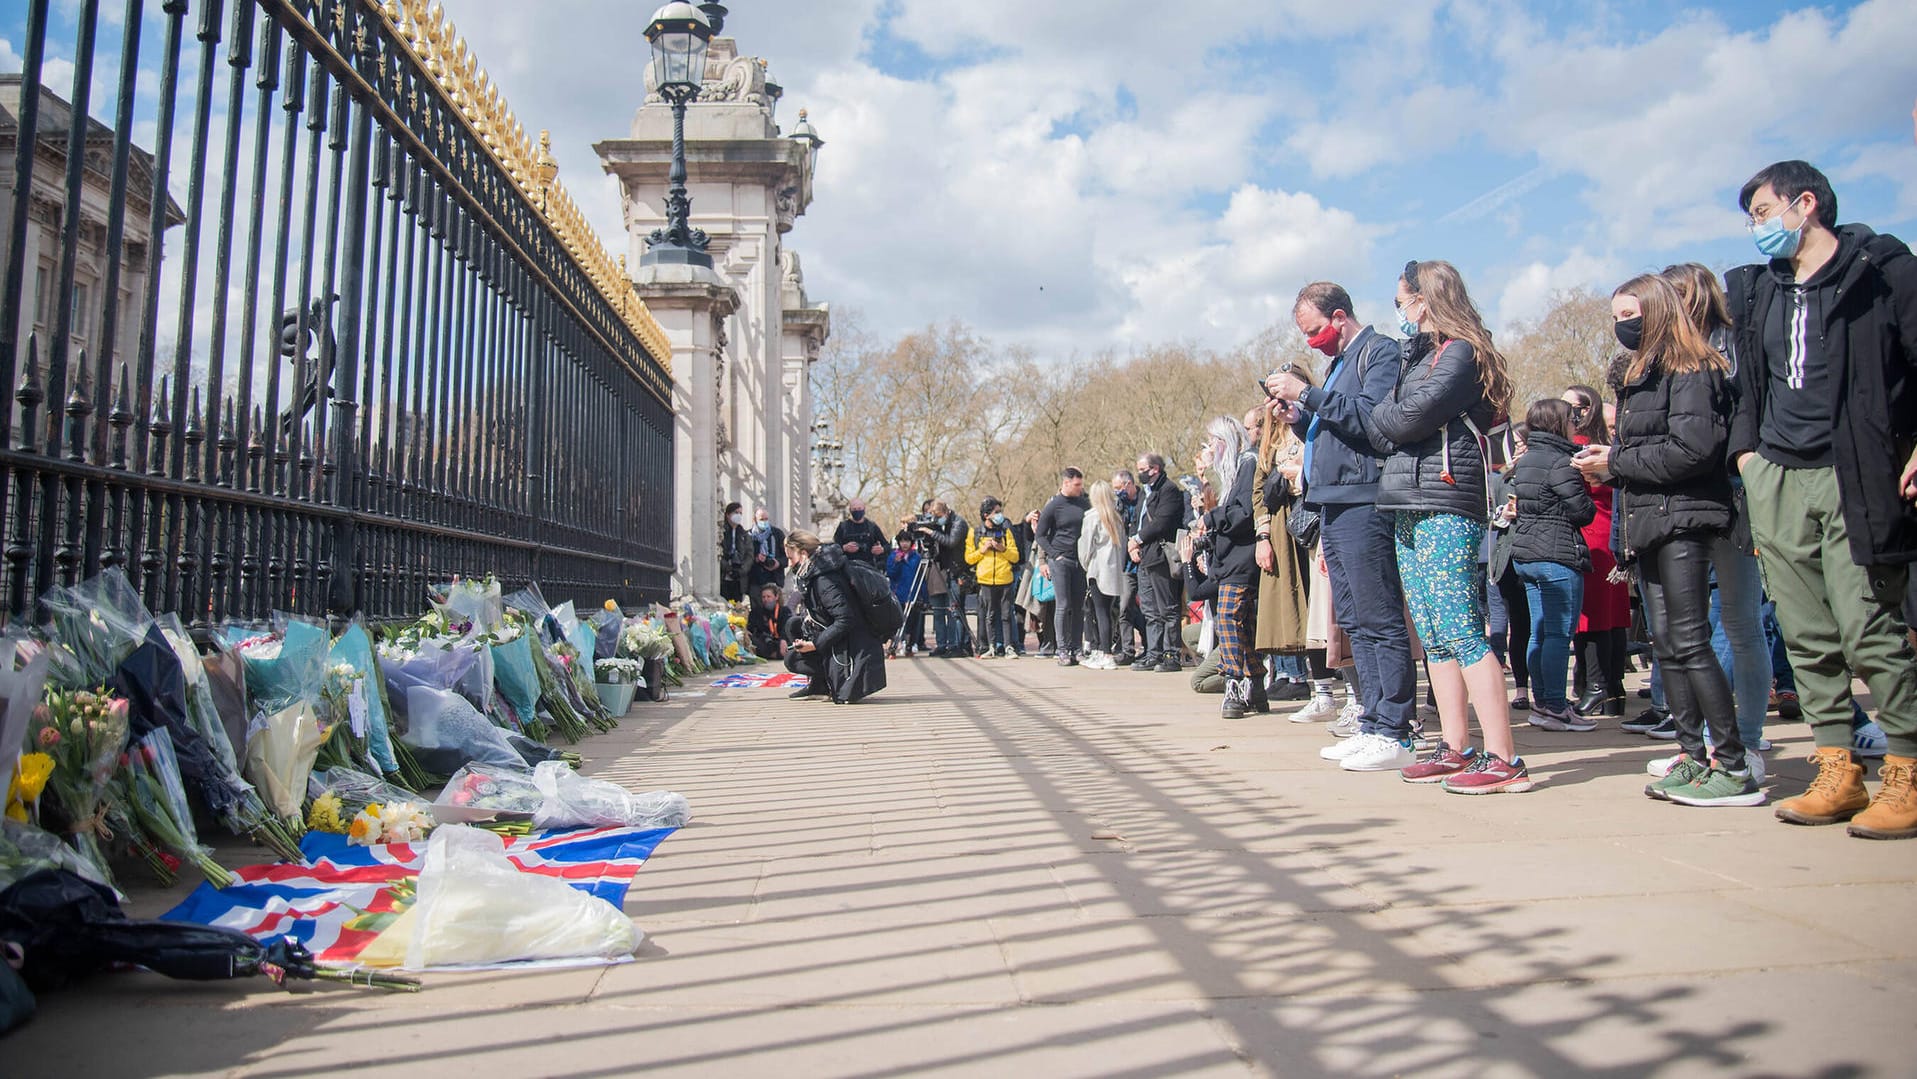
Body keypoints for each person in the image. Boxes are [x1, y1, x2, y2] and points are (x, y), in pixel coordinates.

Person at [1724, 161, 1917, 837]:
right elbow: (1749, 384)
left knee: (1868, 625)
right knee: (1805, 634)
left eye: (1761, 211)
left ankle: (1906, 767)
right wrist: (1747, 458)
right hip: (1776, 473)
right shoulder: (1758, 291)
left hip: (1854, 469)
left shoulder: (1881, 270)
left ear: (1804, 203)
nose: (1757, 227)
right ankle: (1835, 766)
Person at [1577, 273, 1756, 807]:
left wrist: (1616, 462)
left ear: (1656, 312)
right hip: (1651, 518)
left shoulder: (1692, 368)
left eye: (1630, 314)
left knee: (1692, 641)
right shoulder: (1641, 377)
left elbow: (1693, 449)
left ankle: (1732, 762)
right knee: (1670, 647)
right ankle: (1692, 756)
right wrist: (1613, 468)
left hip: (1684, 517)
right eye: (1616, 316)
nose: (1621, 325)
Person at [1360, 259, 1529, 793]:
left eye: (1401, 302)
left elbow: (1401, 419)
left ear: (1426, 300)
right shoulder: (1422, 357)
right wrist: (1396, 413)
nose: (1400, 314)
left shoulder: (1461, 354)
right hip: (1407, 497)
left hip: (1446, 498)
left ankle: (1504, 757)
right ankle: (1456, 745)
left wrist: (1396, 416)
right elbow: (1381, 423)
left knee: (1460, 626)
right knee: (1432, 633)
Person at [1269, 281, 1420, 765]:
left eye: (1314, 330)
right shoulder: (1338, 365)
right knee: (1353, 619)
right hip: (1330, 502)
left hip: (1363, 499)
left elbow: (1373, 421)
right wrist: (1298, 416)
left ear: (1338, 317)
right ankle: (1373, 720)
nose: (1311, 341)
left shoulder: (1378, 353)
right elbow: (1334, 426)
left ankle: (1395, 729)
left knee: (1378, 617)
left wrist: (1309, 395)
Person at [1664, 261, 1774, 781]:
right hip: (1688, 498)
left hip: (1734, 491)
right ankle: (1702, 744)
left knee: (1740, 623)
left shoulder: (1734, 347)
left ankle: (1744, 740)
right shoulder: (1668, 358)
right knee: (1692, 630)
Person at [1508, 399, 1597, 731]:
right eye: (1573, 418)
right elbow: (1583, 512)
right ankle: (1557, 706)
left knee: (1538, 631)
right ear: (1560, 423)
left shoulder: (1528, 458)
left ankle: (1542, 702)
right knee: (1559, 634)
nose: (1576, 423)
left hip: (1528, 554)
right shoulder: (1561, 462)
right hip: (1557, 555)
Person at [1563, 385, 1632, 722]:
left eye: (1569, 405)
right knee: (1613, 615)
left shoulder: (1580, 448)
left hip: (1591, 532)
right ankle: (1613, 689)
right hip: (1608, 529)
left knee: (1590, 616)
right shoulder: (1608, 447)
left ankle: (1596, 685)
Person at [1191, 416, 1263, 719]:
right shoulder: (1234, 470)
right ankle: (1256, 683)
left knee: (1229, 620)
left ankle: (1233, 682)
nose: (1209, 449)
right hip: (1233, 556)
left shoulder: (1247, 463)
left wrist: (1211, 519)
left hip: (1241, 557)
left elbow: (1243, 513)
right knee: (1242, 624)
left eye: (1212, 442)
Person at [782, 531, 887, 704]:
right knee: (793, 625)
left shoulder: (824, 580)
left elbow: (845, 619)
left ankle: (830, 682)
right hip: (842, 636)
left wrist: (814, 644)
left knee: (793, 658)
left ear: (803, 554)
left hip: (854, 645)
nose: (789, 563)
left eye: (790, 557)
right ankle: (819, 685)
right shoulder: (816, 570)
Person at [1130, 453, 1186, 672]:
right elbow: (1137, 521)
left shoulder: (1168, 490)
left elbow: (1162, 522)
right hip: (1145, 556)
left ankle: (1171, 654)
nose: (1140, 473)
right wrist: (1133, 543)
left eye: (1142, 469)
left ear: (1154, 469)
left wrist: (1137, 539)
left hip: (1161, 555)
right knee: (1150, 609)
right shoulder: (1146, 493)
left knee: (1168, 608)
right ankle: (1153, 653)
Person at [1036, 468, 1092, 667]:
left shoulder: (1084, 504)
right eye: (1077, 485)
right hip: (1061, 560)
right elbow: (1040, 535)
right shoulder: (1054, 505)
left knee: (1079, 606)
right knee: (1063, 604)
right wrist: (1053, 555)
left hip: (1080, 561)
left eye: (1081, 485)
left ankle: (1076, 648)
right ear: (1066, 483)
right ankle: (1062, 649)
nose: (1080, 488)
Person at [1078, 480, 1128, 671]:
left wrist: (1086, 565)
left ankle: (1105, 653)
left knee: (1099, 613)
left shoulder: (1091, 517)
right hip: (1114, 571)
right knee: (1105, 612)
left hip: (1098, 570)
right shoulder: (1117, 517)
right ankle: (1101, 651)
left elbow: (1085, 547)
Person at [965, 498, 1021, 658]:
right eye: (996, 512)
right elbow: (969, 559)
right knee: (989, 615)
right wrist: (982, 550)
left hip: (1005, 578)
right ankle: (990, 647)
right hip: (986, 580)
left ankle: (1009, 646)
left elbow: (1015, 557)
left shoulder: (1005, 531)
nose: (1000, 515)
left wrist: (1002, 548)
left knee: (1006, 614)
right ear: (986, 515)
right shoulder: (974, 533)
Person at [1112, 469, 1145, 665]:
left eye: (1118, 488)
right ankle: (1127, 649)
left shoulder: (1144, 498)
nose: (1117, 492)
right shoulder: (1119, 506)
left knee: (1149, 609)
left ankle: (1151, 646)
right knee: (1124, 607)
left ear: (1129, 484)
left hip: (1143, 559)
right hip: (1126, 564)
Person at [886, 535, 925, 656]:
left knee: (913, 621)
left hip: (913, 594)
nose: (904, 544)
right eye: (902, 541)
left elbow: (921, 578)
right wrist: (896, 563)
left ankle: (910, 643)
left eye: (907, 541)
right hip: (898, 593)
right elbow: (891, 574)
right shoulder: (893, 556)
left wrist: (923, 596)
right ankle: (896, 643)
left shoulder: (916, 557)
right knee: (898, 621)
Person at [833, 499, 890, 569]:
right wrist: (844, 548)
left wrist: (881, 549)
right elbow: (833, 548)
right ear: (850, 510)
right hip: (848, 567)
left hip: (869, 567)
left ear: (864, 509)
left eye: (859, 508)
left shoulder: (872, 527)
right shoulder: (843, 527)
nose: (857, 511)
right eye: (854, 509)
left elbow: (887, 545)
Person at [746, 508, 788, 594]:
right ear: (754, 520)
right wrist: (756, 559)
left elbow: (787, 556)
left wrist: (778, 563)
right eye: (761, 519)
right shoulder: (748, 536)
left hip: (775, 579)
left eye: (766, 519)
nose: (764, 522)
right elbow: (745, 559)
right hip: (755, 581)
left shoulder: (777, 534)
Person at [747, 583, 791, 660]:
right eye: (763, 597)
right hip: (765, 642)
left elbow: (787, 627)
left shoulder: (784, 611)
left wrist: (783, 639)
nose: (765, 599)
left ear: (776, 597)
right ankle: (773, 654)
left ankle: (774, 654)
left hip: (781, 641)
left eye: (768, 597)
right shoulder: (756, 612)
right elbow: (752, 629)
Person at [719, 502, 752, 602]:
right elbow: (718, 551)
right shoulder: (721, 532)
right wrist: (727, 568)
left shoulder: (744, 534)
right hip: (724, 577)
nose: (738, 515)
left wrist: (741, 571)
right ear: (728, 515)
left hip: (739, 579)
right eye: (736, 512)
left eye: (740, 513)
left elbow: (749, 555)